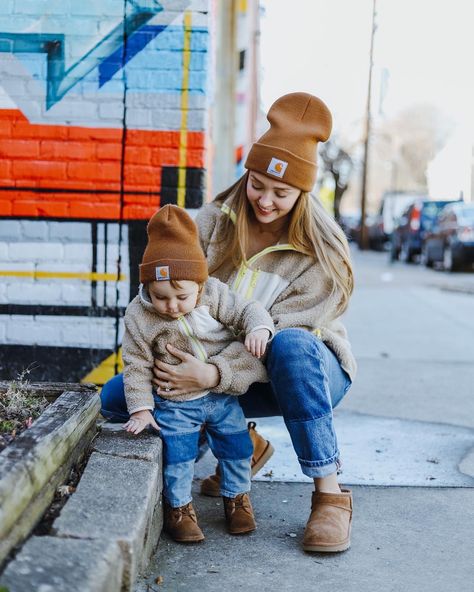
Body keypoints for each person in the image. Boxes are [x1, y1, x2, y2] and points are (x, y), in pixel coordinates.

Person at [101, 92, 356, 553]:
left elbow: (279, 337)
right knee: (118, 400)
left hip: (303, 374)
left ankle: (329, 496)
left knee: (291, 345)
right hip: (215, 369)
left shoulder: (321, 251)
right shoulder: (214, 223)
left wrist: (214, 375)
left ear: (304, 192)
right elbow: (164, 294)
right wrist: (180, 369)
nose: (266, 200)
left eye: (282, 192)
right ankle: (239, 437)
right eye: (258, 184)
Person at [121, 204, 274, 543]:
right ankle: (179, 509)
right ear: (147, 286)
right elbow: (135, 364)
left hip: (222, 394)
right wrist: (141, 408)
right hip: (176, 402)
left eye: (182, 296)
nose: (172, 306)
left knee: (235, 448)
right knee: (178, 456)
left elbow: (248, 310)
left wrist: (260, 328)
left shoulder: (214, 293)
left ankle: (237, 499)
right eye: (161, 297)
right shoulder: (139, 315)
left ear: (199, 284)